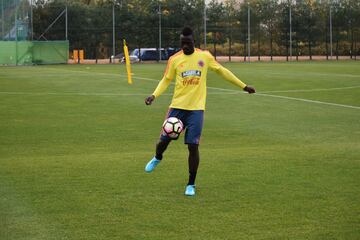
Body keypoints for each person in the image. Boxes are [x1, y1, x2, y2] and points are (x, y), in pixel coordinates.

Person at [144, 27, 255, 196]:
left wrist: (244, 86)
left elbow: (222, 71)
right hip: (177, 107)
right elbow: (166, 80)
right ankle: (158, 157)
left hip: (196, 109)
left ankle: (191, 184)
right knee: (164, 141)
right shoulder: (175, 59)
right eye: (182, 43)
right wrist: (154, 95)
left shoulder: (204, 56)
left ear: (194, 42)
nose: (185, 46)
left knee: (193, 146)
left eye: (188, 43)